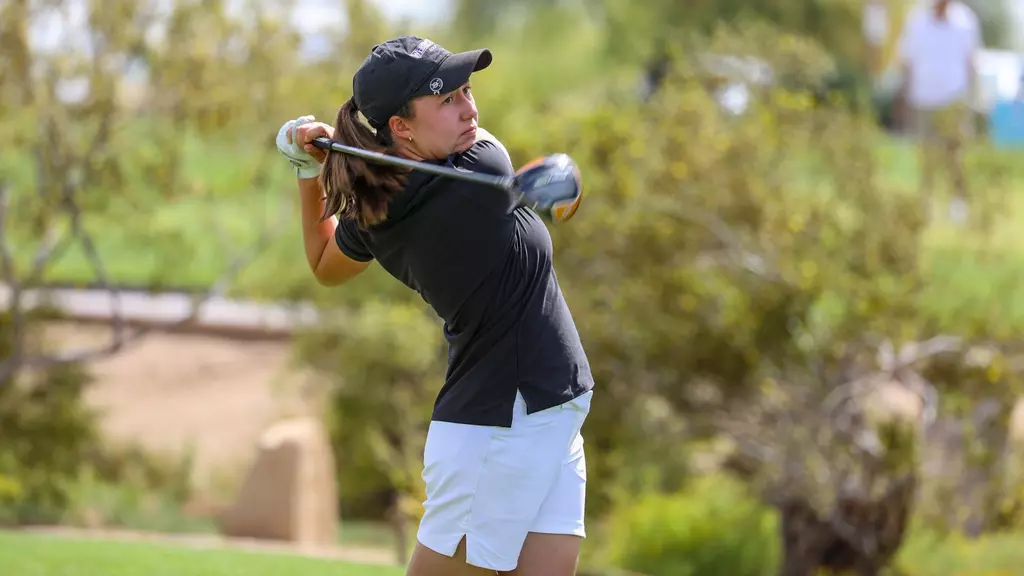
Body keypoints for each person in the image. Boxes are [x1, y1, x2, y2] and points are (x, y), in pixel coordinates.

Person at [274, 36, 595, 576]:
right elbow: (486, 149)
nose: (469, 109)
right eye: (447, 99)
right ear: (400, 127)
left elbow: (325, 264)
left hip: (546, 411)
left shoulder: (373, 212)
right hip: (502, 422)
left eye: (467, 91)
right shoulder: (480, 166)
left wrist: (308, 171)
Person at [896, 0, 981, 224]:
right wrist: (904, 98)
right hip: (923, 99)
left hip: (954, 101)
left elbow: (971, 62)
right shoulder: (916, 20)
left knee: (955, 156)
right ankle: (926, 205)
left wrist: (974, 100)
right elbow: (907, 61)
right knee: (927, 156)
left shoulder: (966, 21)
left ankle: (958, 206)